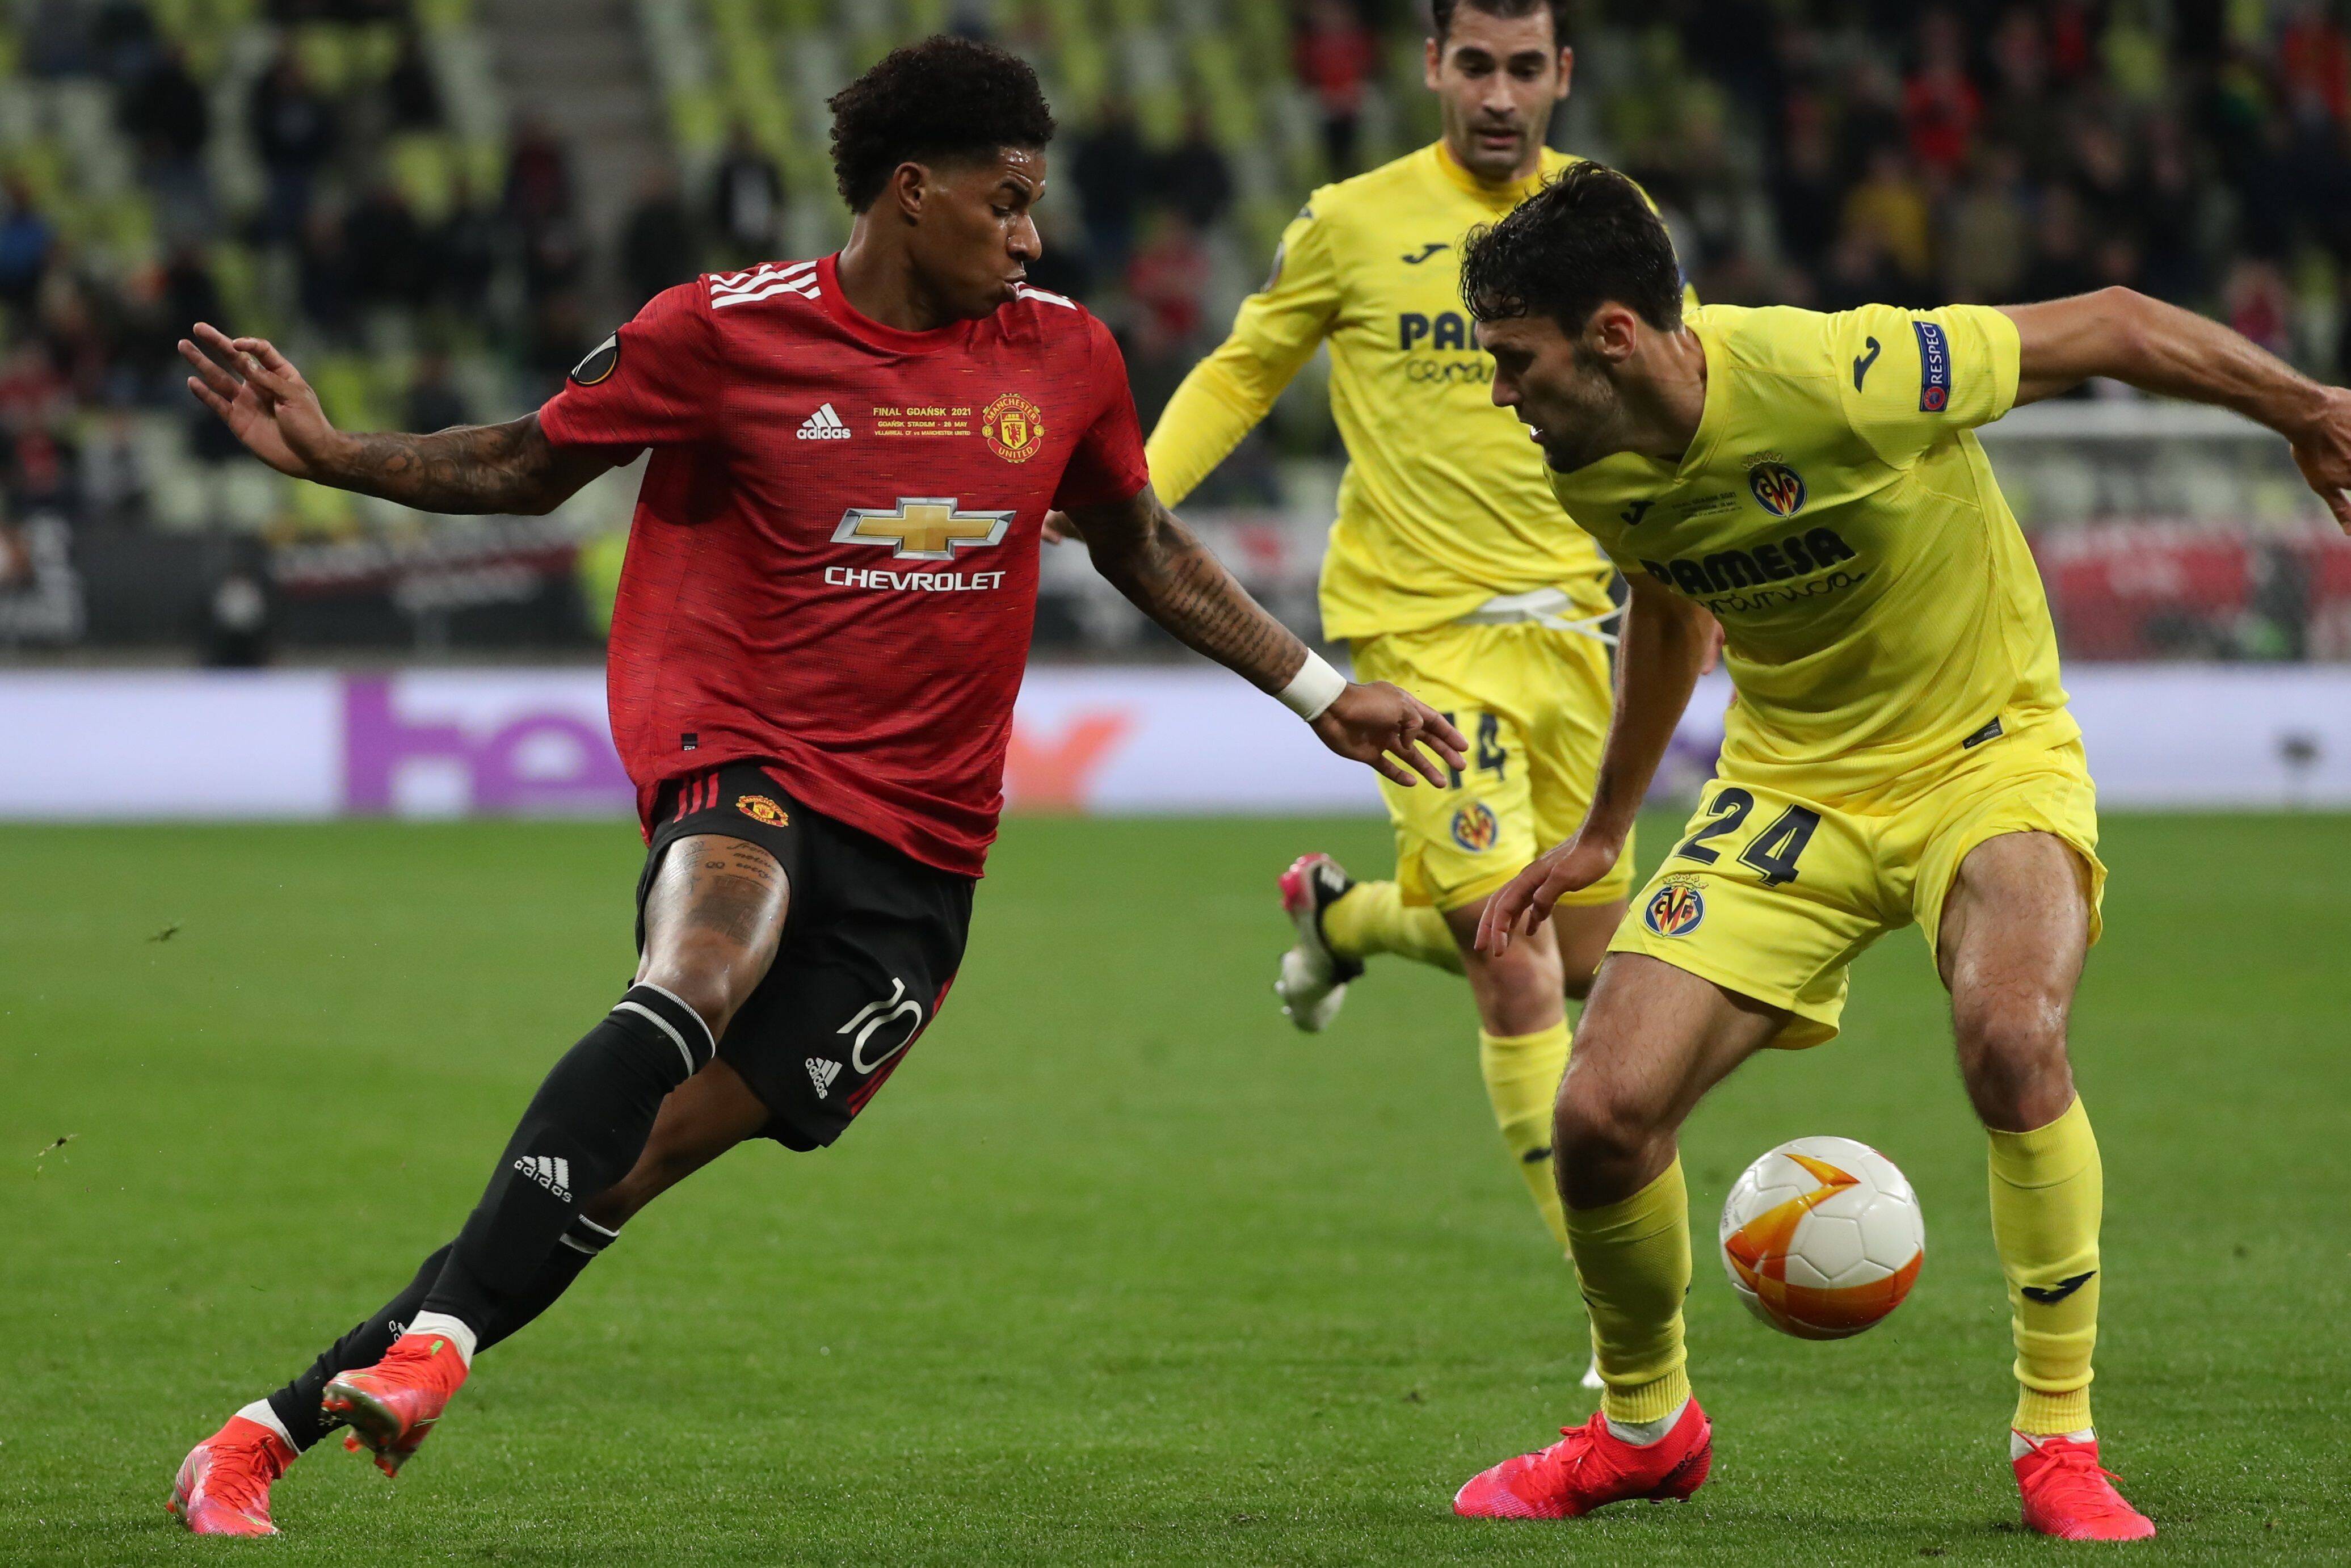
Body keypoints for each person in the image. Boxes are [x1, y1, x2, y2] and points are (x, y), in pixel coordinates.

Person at [163, 37, 1465, 1538]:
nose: (1033, 238)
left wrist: (1319, 693)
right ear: (913, 192)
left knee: (621, 1167)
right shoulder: (721, 332)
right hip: (747, 758)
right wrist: (337, 456)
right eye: (1007, 202)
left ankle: (259, 1432)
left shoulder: (1066, 359)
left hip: (925, 854)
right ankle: (438, 1352)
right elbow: (530, 464)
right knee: (698, 969)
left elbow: (1144, 545)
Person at [1445, 160, 2351, 1538]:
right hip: (1788, 787)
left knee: (2008, 1037)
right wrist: (1605, 829)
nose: (1498, 392)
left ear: (1611, 336)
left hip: (1982, 751)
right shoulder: (1585, 458)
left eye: (1514, 360)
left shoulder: (1841, 372)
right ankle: (1641, 1428)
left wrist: (2305, 410)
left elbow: (2109, 323)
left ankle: (2056, 1437)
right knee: (1599, 1116)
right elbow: (1670, 611)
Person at [1061, 0, 1696, 1342]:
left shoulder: (1608, 215)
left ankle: (1342, 920)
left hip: (1579, 634)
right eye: (1473, 65)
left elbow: (1675, 391)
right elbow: (1244, 370)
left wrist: (1713, 558)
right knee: (1513, 961)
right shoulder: (1350, 221)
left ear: (1561, 73)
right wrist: (1131, 497)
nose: (1497, 94)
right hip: (1418, 636)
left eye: (1522, 68)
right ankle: (1615, 1318)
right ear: (1430, 69)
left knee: (1582, 958)